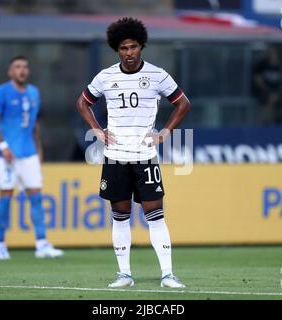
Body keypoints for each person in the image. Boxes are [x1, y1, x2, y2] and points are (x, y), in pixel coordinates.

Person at [76, 17, 191, 288]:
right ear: (117, 49)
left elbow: (183, 103)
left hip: (145, 155)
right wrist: (97, 129)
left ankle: (167, 275)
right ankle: (124, 274)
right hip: (116, 155)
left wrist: (165, 133)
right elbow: (82, 102)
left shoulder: (157, 74)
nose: (129, 53)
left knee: (155, 213)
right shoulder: (106, 77)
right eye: (124, 48)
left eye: (134, 47)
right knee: (120, 214)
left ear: (142, 46)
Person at [0, 55, 64, 260]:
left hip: (28, 153)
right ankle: (0, 244)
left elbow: (33, 123)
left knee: (36, 197)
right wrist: (3, 146)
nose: (22, 70)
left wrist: (38, 148)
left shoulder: (33, 93)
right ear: (10, 71)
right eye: (17, 67)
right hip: (6, 155)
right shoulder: (1, 92)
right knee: (5, 198)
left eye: (25, 66)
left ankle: (41, 244)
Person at [252, 45, 282, 125]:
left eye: (273, 52)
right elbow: (257, 80)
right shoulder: (262, 64)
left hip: (279, 95)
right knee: (267, 103)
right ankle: (264, 123)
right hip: (265, 93)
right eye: (269, 52)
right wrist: (268, 91)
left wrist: (277, 93)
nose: (271, 54)